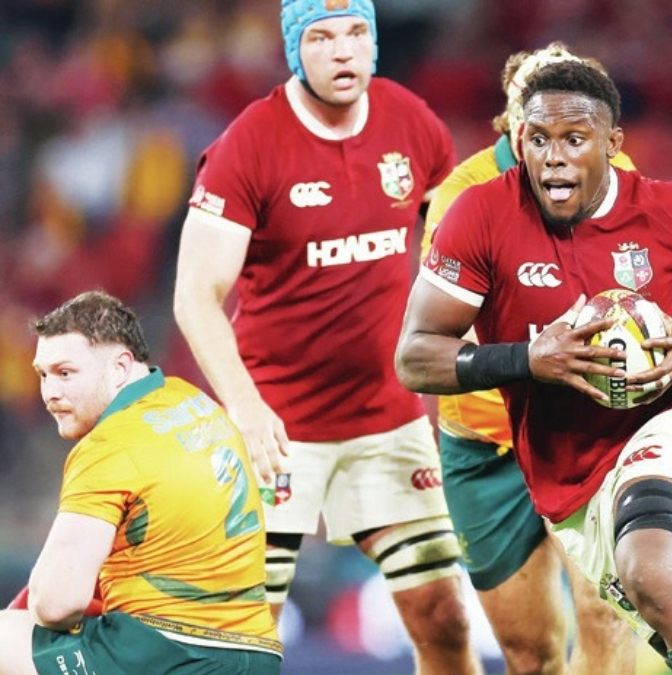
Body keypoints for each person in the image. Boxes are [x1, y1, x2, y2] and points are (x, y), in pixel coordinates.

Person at [399, 60, 672, 674]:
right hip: (565, 483)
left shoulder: (669, 211)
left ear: (613, 145)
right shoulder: (479, 214)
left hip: (663, 433)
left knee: (653, 569)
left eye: (573, 140)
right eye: (537, 140)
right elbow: (416, 355)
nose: (552, 159)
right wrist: (528, 359)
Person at [172, 1, 477, 671]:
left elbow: (460, 252)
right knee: (246, 635)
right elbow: (194, 295)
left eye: (356, 33)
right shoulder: (249, 144)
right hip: (279, 431)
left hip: (387, 421)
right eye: (322, 38)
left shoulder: (411, 123)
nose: (343, 51)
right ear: (294, 51)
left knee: (445, 617)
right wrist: (248, 411)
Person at [421, 42, 638, 675]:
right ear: (515, 122)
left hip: (582, 431)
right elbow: (437, 339)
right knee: (531, 652)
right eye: (541, 124)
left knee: (606, 614)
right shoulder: (462, 197)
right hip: (484, 445)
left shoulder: (615, 176)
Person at [0, 290, 282, 675]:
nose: (50, 393)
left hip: (168, 653)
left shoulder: (109, 445)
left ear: (119, 367)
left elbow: (54, 604)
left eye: (66, 373)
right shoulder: (192, 401)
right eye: (43, 375)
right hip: (258, 652)